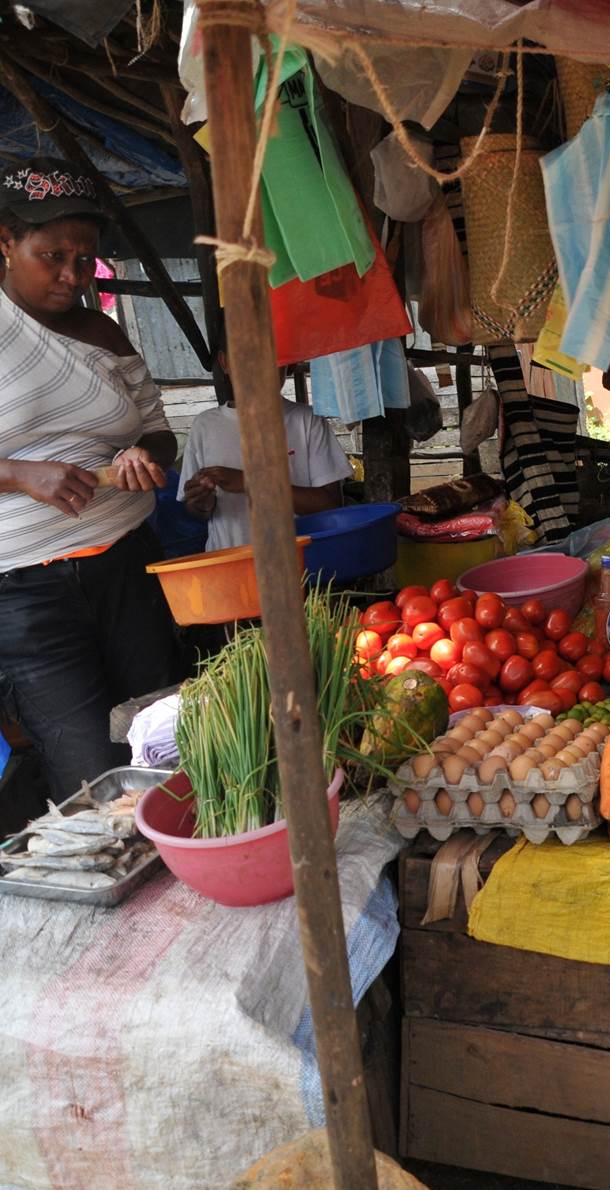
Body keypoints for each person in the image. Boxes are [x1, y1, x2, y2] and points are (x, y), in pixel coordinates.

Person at [0, 160, 182, 798]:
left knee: (162, 741)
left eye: (86, 258)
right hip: (25, 592)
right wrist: (17, 473)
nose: (73, 275)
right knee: (89, 772)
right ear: (5, 241)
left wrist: (140, 454)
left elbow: (159, 430)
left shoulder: (100, 330)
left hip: (128, 568)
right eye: (51, 255)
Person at [178, 350, 352, 551]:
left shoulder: (307, 421)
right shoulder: (205, 426)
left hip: (300, 564)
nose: (258, 366)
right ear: (225, 362)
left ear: (290, 363)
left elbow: (330, 505)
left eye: (271, 356)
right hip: (230, 564)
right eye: (245, 353)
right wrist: (201, 501)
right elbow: (197, 510)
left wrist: (253, 483)